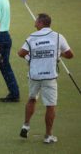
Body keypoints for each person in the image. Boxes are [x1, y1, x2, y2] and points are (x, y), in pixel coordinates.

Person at [18, 13, 73, 143]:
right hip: (49, 76)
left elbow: (21, 53)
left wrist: (31, 56)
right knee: (50, 105)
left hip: (34, 75)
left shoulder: (32, 37)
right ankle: (48, 136)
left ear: (41, 23)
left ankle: (26, 125)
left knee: (32, 99)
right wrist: (58, 55)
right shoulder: (58, 37)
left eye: (36, 20)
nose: (35, 22)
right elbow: (70, 54)